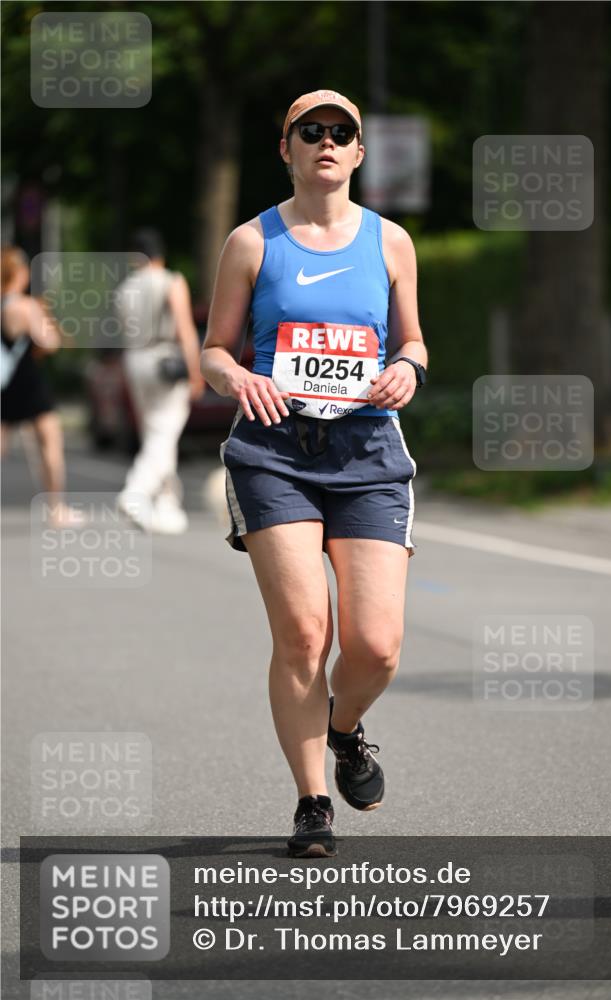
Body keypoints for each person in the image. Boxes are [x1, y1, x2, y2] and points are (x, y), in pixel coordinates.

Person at [201, 90, 428, 857]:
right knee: (303, 631)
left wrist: (406, 369)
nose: (326, 142)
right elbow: (212, 351)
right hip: (272, 452)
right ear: (287, 149)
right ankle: (311, 803)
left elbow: (414, 343)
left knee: (376, 646)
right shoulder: (251, 241)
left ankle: (343, 729)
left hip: (366, 453)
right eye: (311, 132)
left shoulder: (391, 242)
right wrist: (236, 380)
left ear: (359, 153)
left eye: (342, 133)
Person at [115, 228, 206, 534]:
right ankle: (135, 492)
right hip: (164, 360)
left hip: (134, 358)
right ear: (160, 254)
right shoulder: (171, 281)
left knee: (153, 431)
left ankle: (167, 504)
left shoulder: (125, 287)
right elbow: (184, 328)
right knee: (164, 432)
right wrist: (196, 371)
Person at [1, 245, 84, 527]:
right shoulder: (25, 306)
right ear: (19, 274)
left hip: (4, 383)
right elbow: (50, 342)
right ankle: (56, 509)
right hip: (27, 382)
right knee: (49, 444)